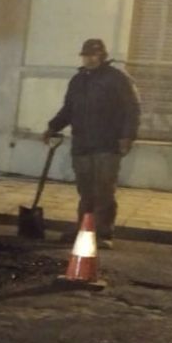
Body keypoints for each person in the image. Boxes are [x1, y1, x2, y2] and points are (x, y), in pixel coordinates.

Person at [43, 38, 140, 249]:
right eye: (86, 55)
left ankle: (103, 232)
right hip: (82, 144)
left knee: (104, 190)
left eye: (93, 55)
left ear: (102, 56)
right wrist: (52, 127)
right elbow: (69, 109)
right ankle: (84, 228)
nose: (89, 59)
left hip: (107, 144)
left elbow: (132, 108)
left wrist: (127, 136)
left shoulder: (117, 78)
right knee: (85, 190)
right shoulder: (78, 80)